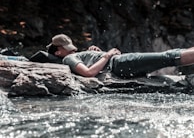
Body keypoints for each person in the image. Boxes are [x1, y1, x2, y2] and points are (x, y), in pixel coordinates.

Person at [45, 33, 194, 78]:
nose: (73, 50)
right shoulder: (67, 58)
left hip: (120, 64)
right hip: (120, 63)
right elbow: (89, 73)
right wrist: (107, 55)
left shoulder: (71, 56)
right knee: (168, 57)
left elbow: (91, 67)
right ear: (58, 52)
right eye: (68, 48)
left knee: (169, 56)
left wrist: (94, 55)